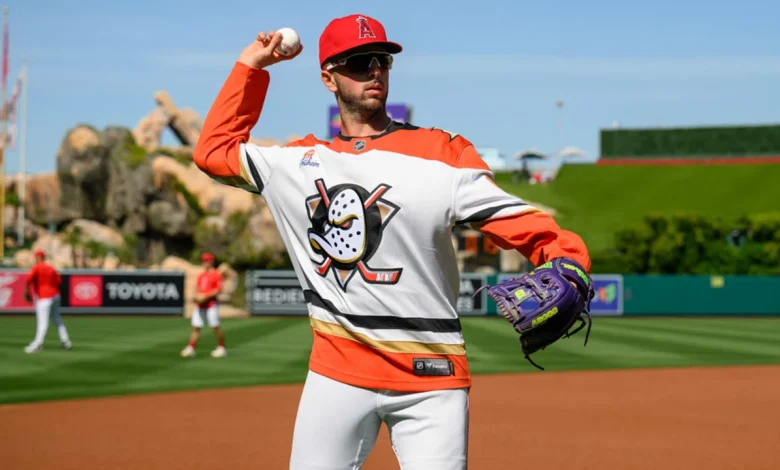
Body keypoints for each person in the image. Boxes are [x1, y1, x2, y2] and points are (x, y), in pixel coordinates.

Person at [193, 13, 591, 469]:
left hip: (433, 380)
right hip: (335, 376)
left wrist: (567, 258)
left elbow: (525, 224)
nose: (374, 71)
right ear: (328, 77)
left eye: (381, 60)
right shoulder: (296, 164)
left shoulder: (443, 154)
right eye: (359, 62)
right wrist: (252, 64)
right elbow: (213, 152)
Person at [180, 252, 227, 358]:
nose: (205, 263)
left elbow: (218, 289)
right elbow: (197, 288)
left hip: (211, 304)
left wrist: (205, 296)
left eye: (207, 260)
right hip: (200, 305)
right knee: (196, 327)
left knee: (215, 326)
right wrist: (196, 297)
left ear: (211, 261)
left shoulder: (216, 274)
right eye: (204, 261)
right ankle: (191, 347)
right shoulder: (202, 275)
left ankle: (221, 347)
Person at [24, 250, 72, 353]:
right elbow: (59, 282)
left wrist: (27, 291)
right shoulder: (51, 268)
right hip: (55, 296)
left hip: (44, 297)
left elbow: (28, 279)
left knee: (43, 322)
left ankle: (38, 343)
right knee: (57, 319)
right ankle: (66, 341)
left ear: (37, 258)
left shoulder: (37, 267)